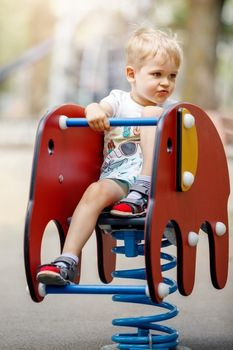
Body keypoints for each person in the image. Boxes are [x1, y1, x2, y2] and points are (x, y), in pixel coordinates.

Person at [36, 27, 182, 285]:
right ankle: (67, 260)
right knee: (94, 192)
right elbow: (97, 108)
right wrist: (93, 110)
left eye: (172, 76)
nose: (165, 83)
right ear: (131, 74)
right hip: (118, 178)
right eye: (157, 74)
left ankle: (143, 190)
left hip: (154, 182)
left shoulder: (168, 111)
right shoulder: (119, 100)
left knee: (152, 115)